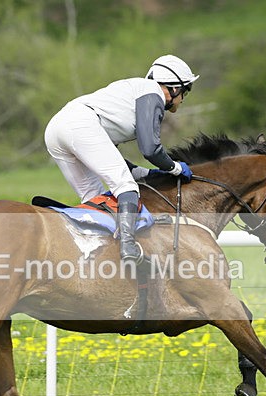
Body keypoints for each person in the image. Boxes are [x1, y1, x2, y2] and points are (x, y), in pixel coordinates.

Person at [44, 54, 199, 263]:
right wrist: (175, 168)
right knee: (126, 187)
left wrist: (146, 173)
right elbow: (151, 149)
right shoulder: (153, 93)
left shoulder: (131, 94)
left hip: (56, 129)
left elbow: (109, 156)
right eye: (185, 91)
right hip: (79, 124)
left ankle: (93, 252)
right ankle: (128, 248)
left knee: (96, 198)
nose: (183, 98)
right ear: (173, 87)